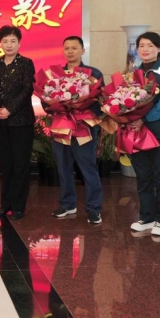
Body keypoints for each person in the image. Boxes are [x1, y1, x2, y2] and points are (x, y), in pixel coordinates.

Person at [127, 31, 160, 237]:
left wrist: (144, 119)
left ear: (159, 49)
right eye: (141, 46)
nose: (145, 49)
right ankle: (146, 217)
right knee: (143, 177)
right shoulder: (133, 74)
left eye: (150, 45)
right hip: (138, 134)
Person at [49, 36, 104, 225]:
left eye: (74, 48)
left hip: (84, 127)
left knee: (88, 167)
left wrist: (82, 110)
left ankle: (94, 208)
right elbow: (45, 99)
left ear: (82, 50)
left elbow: (101, 100)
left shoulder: (93, 73)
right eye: (67, 48)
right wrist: (58, 107)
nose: (70, 51)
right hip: (61, 125)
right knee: (63, 167)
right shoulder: (55, 74)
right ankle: (67, 204)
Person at [0, 26, 35, 221]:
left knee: (20, 164)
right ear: (0, 43)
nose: (9, 45)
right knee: (6, 164)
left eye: (13, 41)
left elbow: (27, 90)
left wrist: (9, 109)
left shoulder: (26, 63)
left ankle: (18, 206)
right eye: (5, 41)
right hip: (1, 122)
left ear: (19, 43)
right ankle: (5, 203)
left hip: (21, 121)